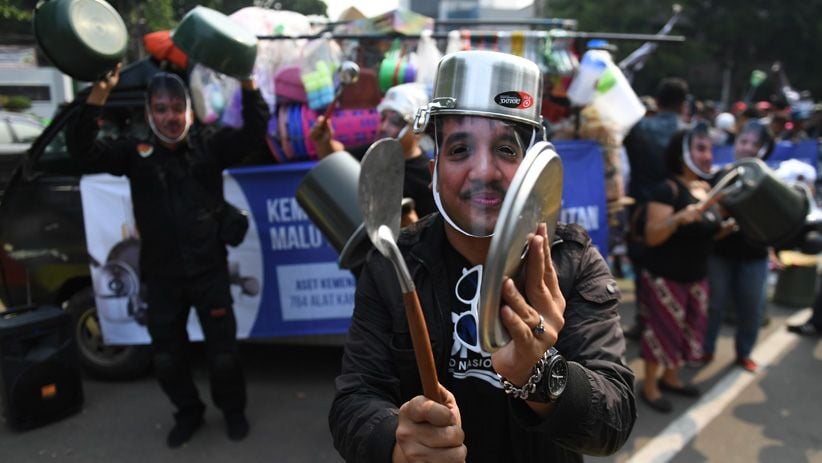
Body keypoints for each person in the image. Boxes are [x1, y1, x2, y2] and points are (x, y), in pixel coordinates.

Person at [328, 50, 636, 463]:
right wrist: (397, 445)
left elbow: (614, 419)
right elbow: (354, 399)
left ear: (531, 167)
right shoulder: (392, 263)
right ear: (434, 170)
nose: (484, 171)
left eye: (506, 149)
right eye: (460, 150)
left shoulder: (571, 261)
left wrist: (537, 373)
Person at [65, 65, 270, 447]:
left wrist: (247, 81)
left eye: (177, 108)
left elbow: (255, 130)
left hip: (209, 273)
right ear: (149, 114)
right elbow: (81, 150)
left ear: (190, 111)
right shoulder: (134, 154)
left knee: (223, 356)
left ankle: (233, 410)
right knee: (166, 359)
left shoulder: (209, 147)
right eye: (161, 109)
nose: (170, 117)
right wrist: (99, 93)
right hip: (161, 278)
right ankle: (188, 412)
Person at [638, 122, 728, 413]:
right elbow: (652, 236)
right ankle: (649, 387)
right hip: (666, 278)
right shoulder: (667, 190)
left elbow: (705, 232)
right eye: (700, 148)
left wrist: (725, 229)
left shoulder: (705, 188)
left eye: (709, 149)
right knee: (661, 333)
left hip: (696, 278)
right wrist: (678, 219)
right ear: (681, 154)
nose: (708, 155)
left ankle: (671, 378)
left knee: (686, 333)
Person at [701, 120, 776, 373]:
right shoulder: (720, 176)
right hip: (720, 255)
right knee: (714, 305)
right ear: (736, 144)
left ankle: (744, 353)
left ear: (763, 149)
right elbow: (708, 216)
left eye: (755, 144)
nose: (748, 148)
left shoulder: (770, 181)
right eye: (744, 141)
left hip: (755, 256)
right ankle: (706, 349)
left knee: (752, 308)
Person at [310, 82, 436, 222]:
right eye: (383, 118)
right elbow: (337, 158)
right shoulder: (373, 153)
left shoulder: (428, 177)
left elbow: (434, 231)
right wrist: (324, 141)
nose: (383, 127)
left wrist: (411, 227)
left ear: (418, 129)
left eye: (395, 121)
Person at [622, 77, 689, 339]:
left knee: (643, 270)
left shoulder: (638, 129)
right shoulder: (688, 133)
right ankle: (671, 324)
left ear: (658, 101)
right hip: (679, 209)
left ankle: (644, 322)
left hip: (642, 210)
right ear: (683, 104)